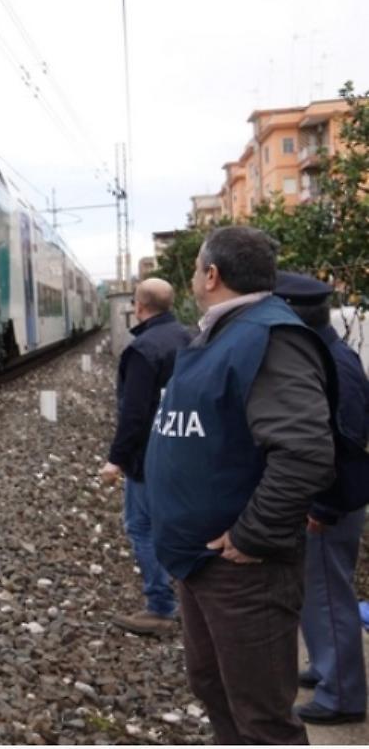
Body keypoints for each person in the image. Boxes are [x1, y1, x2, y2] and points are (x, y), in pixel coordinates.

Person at [144, 226, 336, 744]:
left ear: (211, 275)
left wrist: (252, 535)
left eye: (194, 269)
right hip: (201, 561)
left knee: (262, 718)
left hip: (242, 570)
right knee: (215, 688)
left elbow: (304, 452)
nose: (191, 278)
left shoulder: (269, 339)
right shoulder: (225, 332)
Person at [273, 271, 368, 726]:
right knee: (317, 593)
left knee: (329, 595)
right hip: (325, 500)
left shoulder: (333, 363)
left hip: (330, 503)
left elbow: (345, 440)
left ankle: (342, 695)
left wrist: (324, 505)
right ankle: (328, 667)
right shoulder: (325, 354)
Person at [99, 278, 191, 635]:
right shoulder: (190, 337)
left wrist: (116, 460)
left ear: (138, 306)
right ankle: (191, 602)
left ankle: (161, 607)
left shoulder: (142, 349)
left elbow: (134, 413)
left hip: (150, 455)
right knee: (179, 523)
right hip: (185, 445)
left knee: (141, 526)